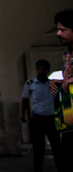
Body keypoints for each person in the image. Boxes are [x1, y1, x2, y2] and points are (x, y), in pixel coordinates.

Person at [21, 60, 63, 172]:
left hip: (51, 118)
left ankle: (60, 167)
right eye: (39, 69)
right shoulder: (30, 83)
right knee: (38, 146)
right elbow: (24, 99)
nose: (41, 71)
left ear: (47, 71)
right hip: (38, 118)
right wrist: (22, 114)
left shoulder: (53, 84)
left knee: (56, 145)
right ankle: (38, 168)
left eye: (43, 69)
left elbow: (58, 100)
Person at [50, 9, 73, 165]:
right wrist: (59, 82)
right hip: (68, 112)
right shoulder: (67, 54)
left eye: (63, 30)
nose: (58, 33)